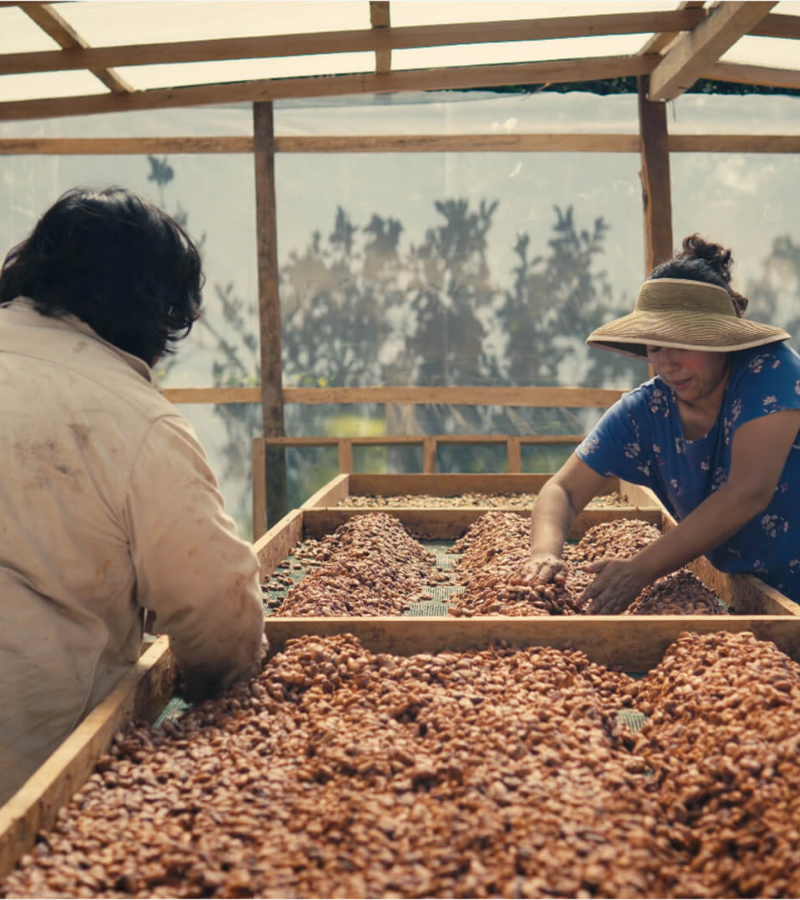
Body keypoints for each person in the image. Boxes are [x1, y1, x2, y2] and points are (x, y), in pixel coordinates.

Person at [0, 187, 265, 805]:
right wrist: (215, 694)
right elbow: (217, 612)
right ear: (153, 308)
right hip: (32, 762)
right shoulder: (132, 418)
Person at [523, 234, 800, 613]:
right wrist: (544, 554)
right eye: (655, 347)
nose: (667, 363)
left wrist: (639, 570)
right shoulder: (646, 411)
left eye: (683, 345)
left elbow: (748, 491)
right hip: (748, 594)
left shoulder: (769, 371)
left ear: (721, 341)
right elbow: (563, 490)